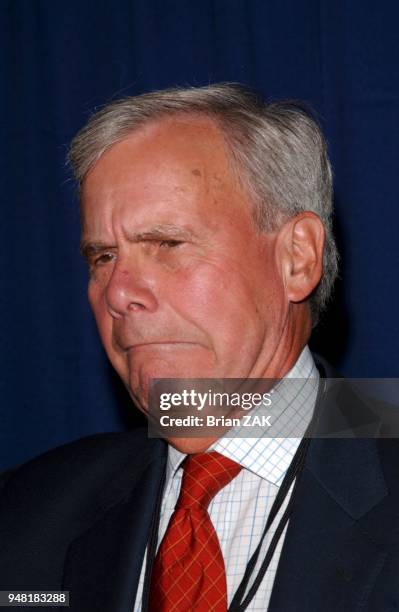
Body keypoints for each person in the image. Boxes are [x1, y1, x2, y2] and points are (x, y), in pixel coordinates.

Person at [0, 84, 398, 612]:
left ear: (297, 259)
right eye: (101, 257)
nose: (117, 293)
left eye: (166, 244)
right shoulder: (25, 512)